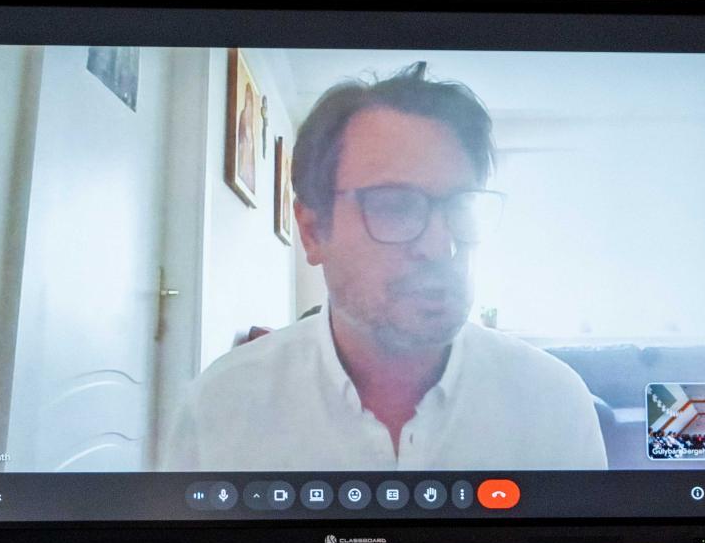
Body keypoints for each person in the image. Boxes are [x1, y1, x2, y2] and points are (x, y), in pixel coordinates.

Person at [163, 62, 606, 471]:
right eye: (394, 206)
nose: (442, 245)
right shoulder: (221, 408)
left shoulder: (554, 404)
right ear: (313, 232)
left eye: (462, 206)